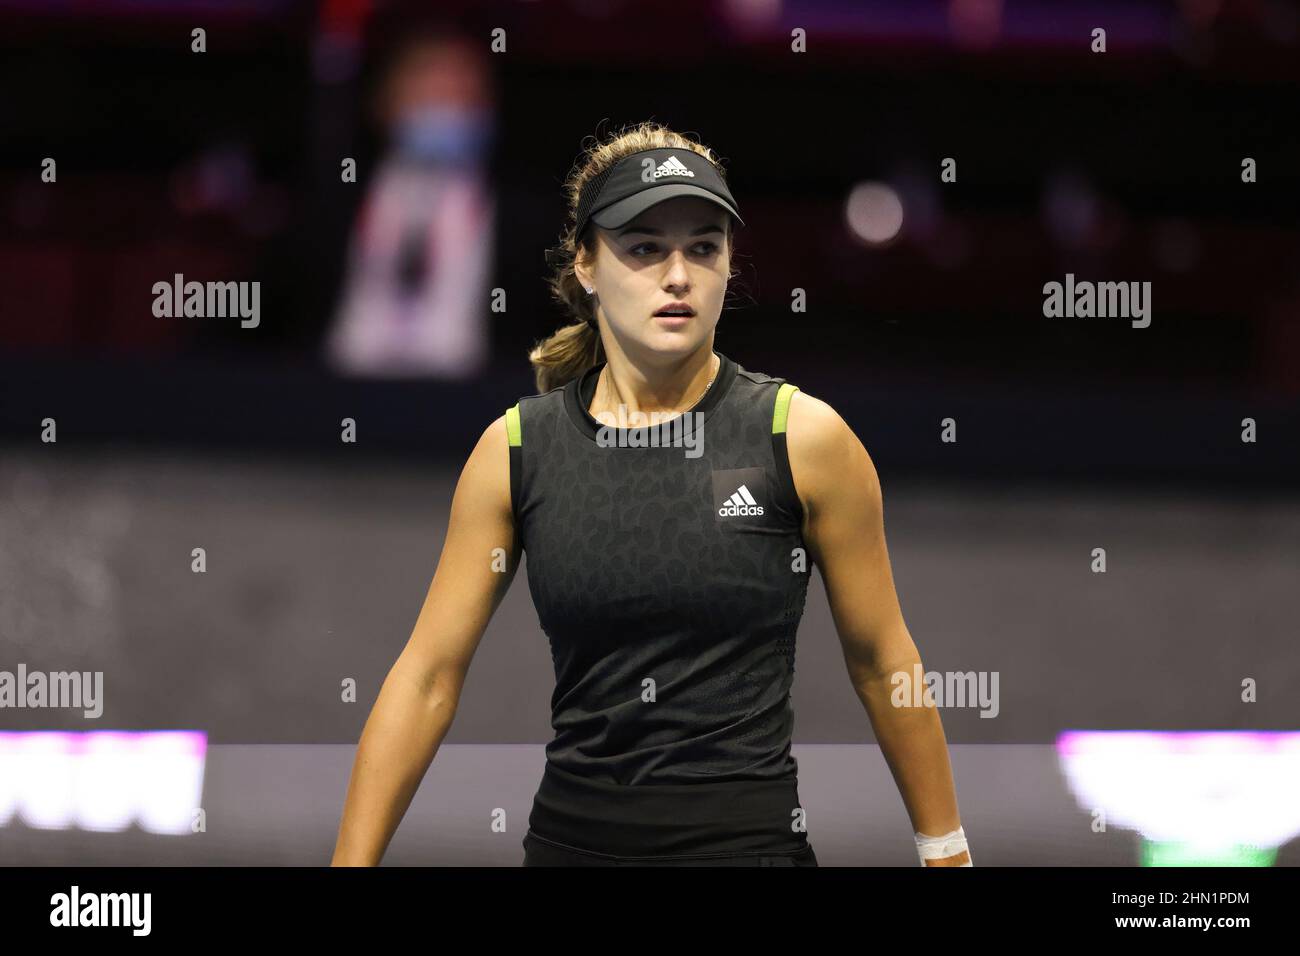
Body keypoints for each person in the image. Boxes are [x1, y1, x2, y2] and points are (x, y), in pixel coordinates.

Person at [331, 121, 971, 867]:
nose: (678, 275)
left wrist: (947, 852)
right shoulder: (515, 452)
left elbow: (882, 659)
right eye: (644, 248)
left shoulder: (804, 440)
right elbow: (429, 677)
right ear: (587, 266)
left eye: (704, 247)